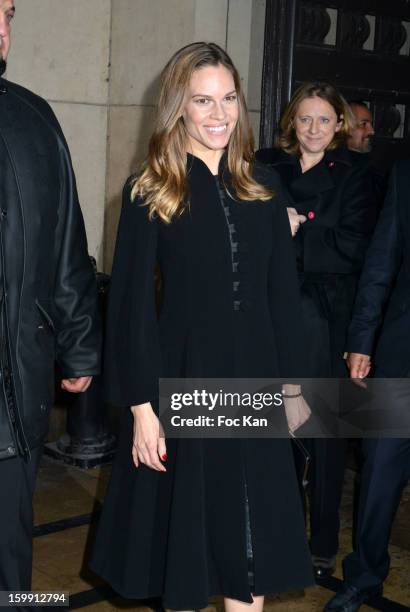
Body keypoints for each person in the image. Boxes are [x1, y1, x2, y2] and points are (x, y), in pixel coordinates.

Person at [90, 42, 314, 611]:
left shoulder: (263, 187)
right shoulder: (151, 191)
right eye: (203, 101)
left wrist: (293, 389)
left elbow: (283, 301)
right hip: (185, 380)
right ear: (179, 108)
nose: (219, 115)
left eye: (229, 98)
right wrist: (142, 408)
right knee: (187, 546)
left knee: (251, 541)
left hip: (257, 382)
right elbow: (131, 308)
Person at [256, 82, 378, 579]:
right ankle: (276, 531)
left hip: (325, 319)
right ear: (291, 122)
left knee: (323, 435)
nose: (312, 129)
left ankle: (322, 541)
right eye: (304, 119)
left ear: (338, 126)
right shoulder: (267, 166)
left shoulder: (358, 175)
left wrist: (298, 230)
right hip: (270, 312)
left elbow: (353, 247)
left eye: (323, 120)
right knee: (273, 428)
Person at [0, 0, 101, 599]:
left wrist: (80, 345)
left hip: (15, 382)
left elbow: (68, 243)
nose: (1, 27)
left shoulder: (33, 119)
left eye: (8, 12)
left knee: (12, 554)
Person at [324, 160, 410, 611]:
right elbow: (382, 261)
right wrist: (362, 339)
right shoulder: (405, 173)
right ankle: (366, 574)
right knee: (379, 468)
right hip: (402, 353)